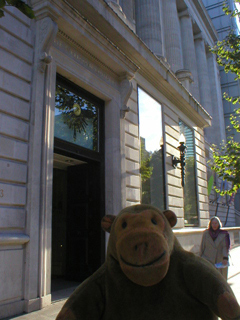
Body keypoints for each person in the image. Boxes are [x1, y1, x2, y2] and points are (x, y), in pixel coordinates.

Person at [200, 216, 230, 280]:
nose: (214, 225)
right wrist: (200, 259)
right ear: (210, 224)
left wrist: (225, 258)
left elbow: (225, 247)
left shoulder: (223, 234)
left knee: (219, 280)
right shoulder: (206, 233)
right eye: (213, 223)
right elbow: (202, 246)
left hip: (218, 261)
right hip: (207, 259)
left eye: (216, 223)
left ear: (219, 224)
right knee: (208, 279)